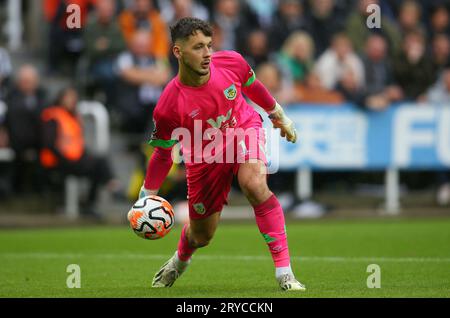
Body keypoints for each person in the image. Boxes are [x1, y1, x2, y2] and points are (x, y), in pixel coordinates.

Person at [139, 17, 304, 291]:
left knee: (254, 184)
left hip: (243, 129)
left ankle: (284, 273)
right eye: (198, 48)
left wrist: (277, 114)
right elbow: (163, 155)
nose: (207, 54)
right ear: (178, 52)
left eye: (209, 45)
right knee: (201, 236)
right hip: (203, 157)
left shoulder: (231, 62)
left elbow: (253, 87)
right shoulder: (168, 105)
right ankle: (180, 260)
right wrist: (147, 194)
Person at [40, 87, 120, 217]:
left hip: (74, 158)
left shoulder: (73, 117)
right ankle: (110, 187)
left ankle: (96, 198)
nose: (72, 101)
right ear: (61, 99)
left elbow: (77, 143)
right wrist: (67, 159)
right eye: (68, 97)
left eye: (73, 98)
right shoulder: (53, 116)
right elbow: (50, 144)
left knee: (99, 164)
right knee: (98, 165)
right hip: (58, 161)